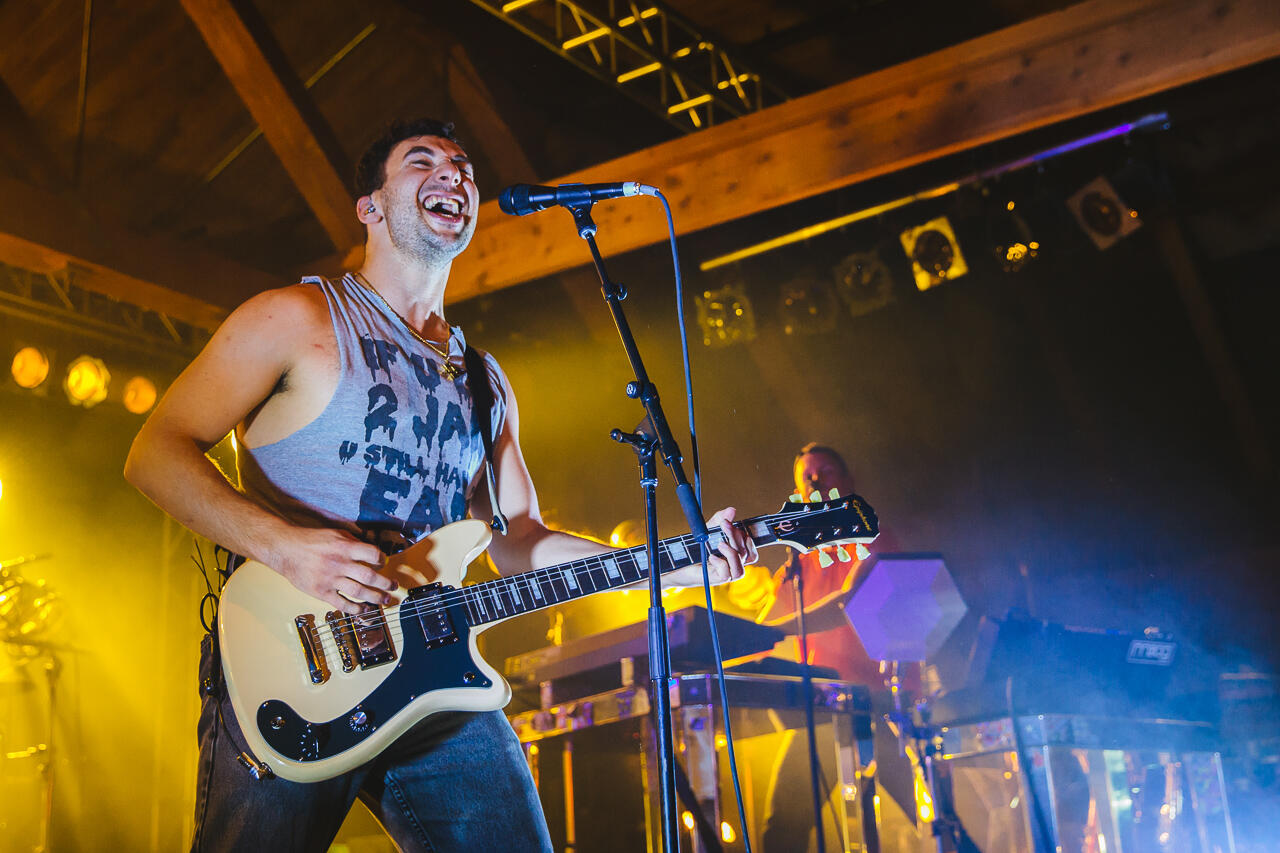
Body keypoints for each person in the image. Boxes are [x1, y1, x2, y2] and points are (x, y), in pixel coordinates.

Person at [124, 118, 756, 852]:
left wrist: (674, 564)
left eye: (463, 166)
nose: (453, 174)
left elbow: (519, 541)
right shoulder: (296, 317)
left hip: (436, 674)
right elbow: (154, 452)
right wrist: (289, 550)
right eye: (422, 162)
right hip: (295, 660)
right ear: (371, 206)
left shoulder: (486, 383)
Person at [753, 443, 897, 852]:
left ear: (848, 483)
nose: (815, 481)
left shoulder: (874, 535)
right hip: (823, 708)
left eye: (825, 472)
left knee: (933, 817)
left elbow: (848, 606)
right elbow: (757, 629)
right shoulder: (797, 562)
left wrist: (773, 633)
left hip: (882, 705)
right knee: (782, 833)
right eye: (806, 478)